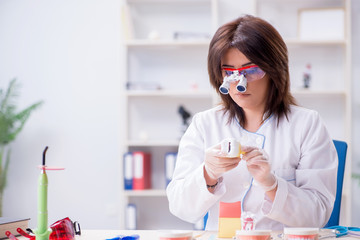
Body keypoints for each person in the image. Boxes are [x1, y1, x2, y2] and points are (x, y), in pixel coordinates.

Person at [166, 15, 338, 230]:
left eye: (251, 71)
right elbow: (180, 207)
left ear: (274, 70)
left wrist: (271, 184)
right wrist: (208, 173)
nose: (239, 82)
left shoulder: (306, 124)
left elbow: (317, 215)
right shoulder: (205, 124)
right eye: (228, 72)